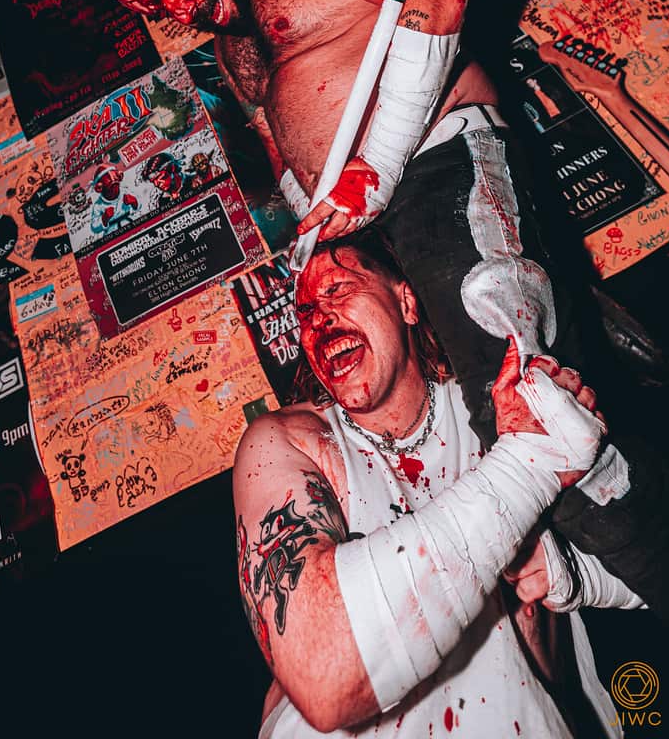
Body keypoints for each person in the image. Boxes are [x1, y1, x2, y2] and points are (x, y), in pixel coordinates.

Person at [99, 0, 669, 619]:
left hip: (435, 161)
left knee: (525, 414)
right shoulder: (239, 40)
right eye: (154, 7)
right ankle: (596, 580)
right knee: (478, 449)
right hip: (370, 230)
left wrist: (375, 165)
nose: (173, 9)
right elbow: (298, 140)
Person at [233, 229, 638, 737]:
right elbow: (325, 669)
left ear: (405, 301)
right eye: (305, 312)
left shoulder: (496, 405)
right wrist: (528, 463)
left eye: (337, 289)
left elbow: (654, 555)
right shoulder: (287, 441)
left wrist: (566, 570)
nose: (319, 318)